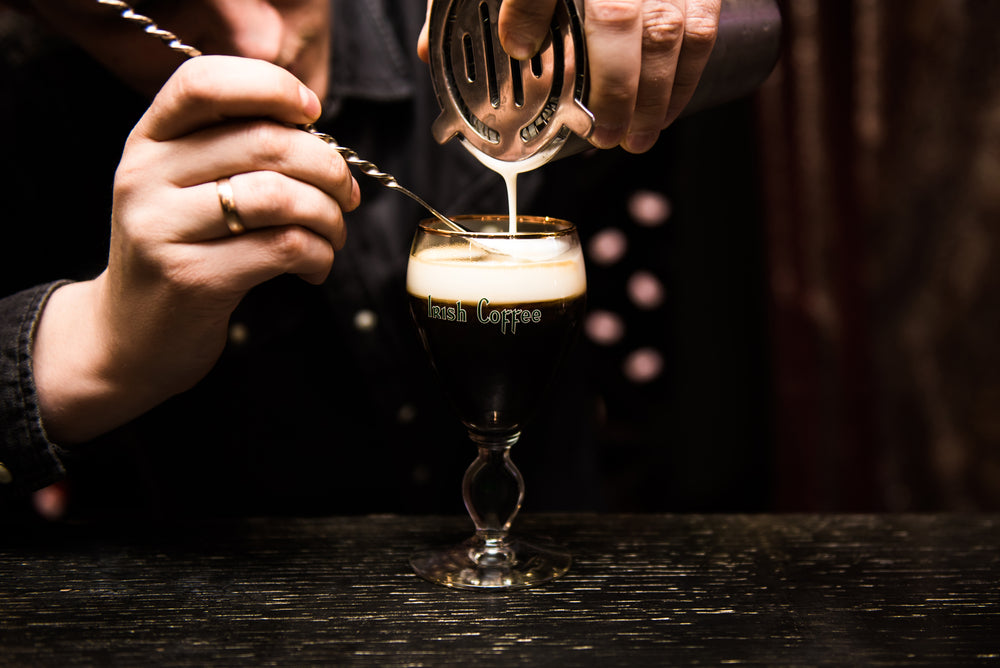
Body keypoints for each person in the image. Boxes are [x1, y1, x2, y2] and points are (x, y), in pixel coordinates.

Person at [0, 0, 723, 518]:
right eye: (148, 9)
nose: (258, 36)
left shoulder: (481, 25)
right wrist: (91, 345)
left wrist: (673, 21)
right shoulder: (26, 115)